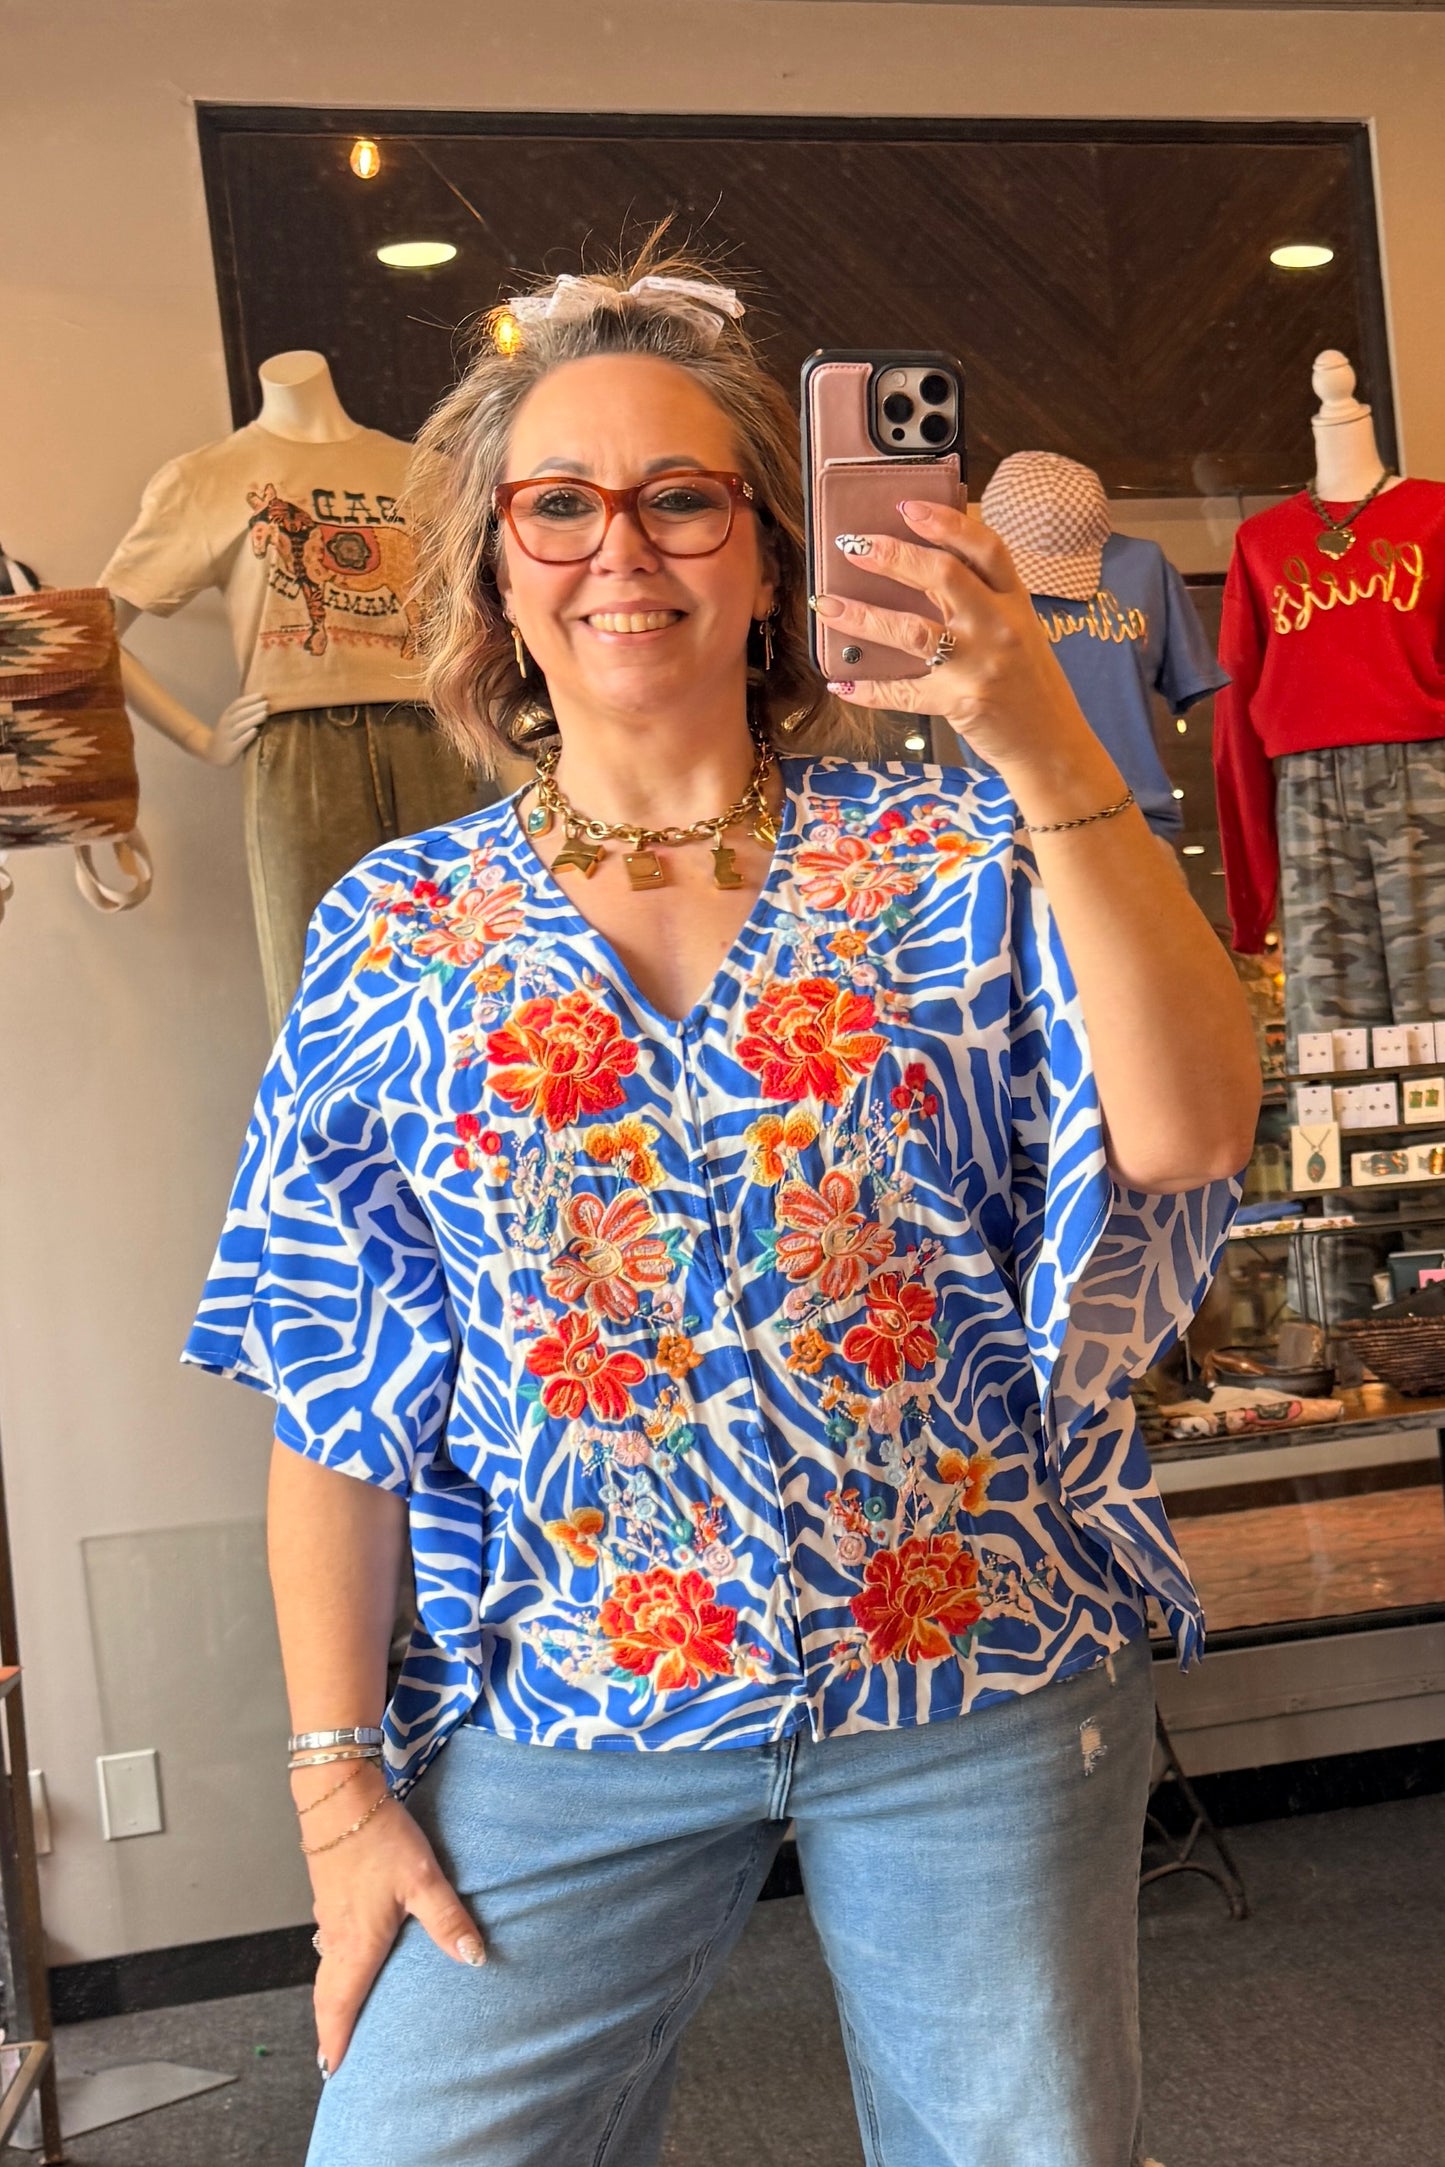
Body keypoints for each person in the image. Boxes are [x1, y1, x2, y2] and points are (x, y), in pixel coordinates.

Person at [184, 238, 1260, 2167]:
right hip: (568, 1705)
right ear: (499, 571)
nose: (625, 548)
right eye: (562, 504)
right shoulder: (395, 931)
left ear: (768, 551)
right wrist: (338, 1791)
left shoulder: (962, 853)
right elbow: (323, 1377)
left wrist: (1032, 738)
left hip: (975, 1678)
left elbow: (1183, 1132)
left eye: (684, 498)